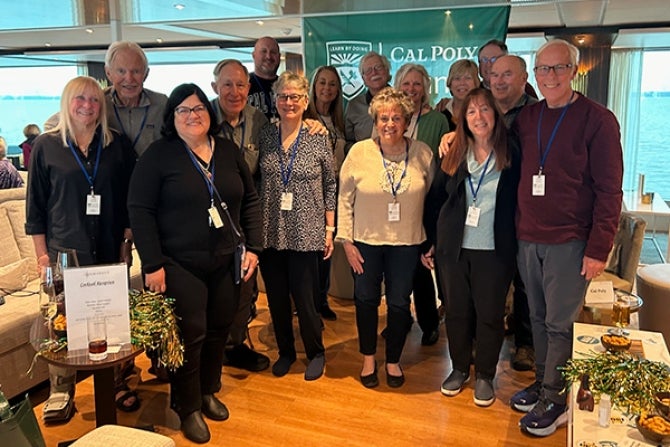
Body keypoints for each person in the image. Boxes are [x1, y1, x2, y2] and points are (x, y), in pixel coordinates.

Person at [128, 83, 262, 443]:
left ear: (209, 111)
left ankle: (208, 391)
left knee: (220, 326)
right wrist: (152, 263)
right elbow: (140, 212)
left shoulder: (228, 151)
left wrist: (254, 248)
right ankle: (187, 407)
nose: (192, 115)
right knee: (191, 334)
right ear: (172, 117)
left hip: (226, 258)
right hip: (178, 262)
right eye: (183, 110)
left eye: (199, 107)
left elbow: (250, 200)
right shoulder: (159, 156)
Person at [509, 39, 623, 437]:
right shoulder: (528, 117)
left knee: (559, 325)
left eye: (558, 69)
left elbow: (610, 191)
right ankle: (543, 383)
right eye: (543, 69)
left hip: (570, 241)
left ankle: (556, 402)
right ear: (535, 75)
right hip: (529, 238)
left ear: (574, 71)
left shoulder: (598, 120)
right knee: (537, 319)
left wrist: (598, 249)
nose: (550, 76)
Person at [25, 76, 136, 423]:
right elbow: (35, 208)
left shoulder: (117, 145)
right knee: (63, 321)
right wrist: (42, 256)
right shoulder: (46, 146)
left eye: (94, 100)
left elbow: (130, 199)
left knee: (112, 316)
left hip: (108, 246)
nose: (88, 105)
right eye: (80, 99)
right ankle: (62, 390)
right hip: (64, 251)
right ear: (67, 102)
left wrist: (127, 240)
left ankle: (119, 381)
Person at [422, 88, 519, 407]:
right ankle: (460, 368)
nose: (479, 117)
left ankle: (485, 375)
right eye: (472, 111)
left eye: (485, 110)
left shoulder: (512, 152)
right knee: (457, 312)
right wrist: (431, 241)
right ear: (463, 119)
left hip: (495, 251)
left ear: (496, 114)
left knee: (490, 315)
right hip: (454, 250)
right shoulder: (453, 151)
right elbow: (435, 199)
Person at [337, 87, 434, 389]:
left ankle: (393, 360)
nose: (389, 124)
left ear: (406, 121)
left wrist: (430, 240)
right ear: (374, 121)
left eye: (396, 118)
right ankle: (368, 358)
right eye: (383, 118)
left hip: (406, 242)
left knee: (398, 303)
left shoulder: (422, 153)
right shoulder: (359, 153)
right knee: (365, 299)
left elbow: (432, 198)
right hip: (365, 241)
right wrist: (347, 242)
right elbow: (344, 199)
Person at [258, 71, 335, 381]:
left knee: (306, 299)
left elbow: (330, 183)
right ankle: (286, 352)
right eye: (283, 96)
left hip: (307, 230)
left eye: (295, 97)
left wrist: (329, 230)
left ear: (305, 101)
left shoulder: (318, 135)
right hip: (270, 230)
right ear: (276, 100)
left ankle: (316, 352)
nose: (288, 102)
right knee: (276, 298)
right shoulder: (265, 135)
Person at [210, 58, 271, 373]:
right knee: (211, 286)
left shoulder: (258, 120)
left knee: (244, 283)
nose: (234, 92)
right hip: (207, 217)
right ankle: (209, 349)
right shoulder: (202, 118)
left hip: (243, 212)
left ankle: (235, 345)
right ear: (215, 88)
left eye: (240, 84)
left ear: (249, 88)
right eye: (227, 85)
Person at [394, 63, 450, 346]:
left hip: (425, 203)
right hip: (394, 204)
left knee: (420, 266)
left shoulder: (437, 120)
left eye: (417, 84)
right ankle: (399, 318)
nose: (411, 90)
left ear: (425, 88)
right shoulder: (390, 117)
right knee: (396, 267)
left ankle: (428, 322)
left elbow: (442, 165)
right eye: (406, 84)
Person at [489, 54, 538, 372]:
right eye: (494, 74)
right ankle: (487, 338)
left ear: (523, 79)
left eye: (508, 74)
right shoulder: (484, 109)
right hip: (487, 210)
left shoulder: (537, 113)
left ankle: (526, 344)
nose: (500, 80)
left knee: (524, 282)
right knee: (489, 279)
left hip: (524, 210)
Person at [304, 65, 346, 321]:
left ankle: (321, 300)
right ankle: (308, 304)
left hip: (335, 192)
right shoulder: (304, 118)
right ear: (313, 86)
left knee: (326, 249)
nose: (327, 88)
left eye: (332, 84)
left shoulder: (340, 120)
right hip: (310, 194)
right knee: (309, 252)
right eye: (322, 83)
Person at [104, 41, 168, 158]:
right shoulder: (97, 102)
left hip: (151, 174)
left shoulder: (162, 104)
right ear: (108, 73)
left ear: (146, 74)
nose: (129, 79)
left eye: (136, 71)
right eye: (121, 71)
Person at [344, 51, 392, 150]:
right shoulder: (354, 105)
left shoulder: (402, 102)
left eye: (378, 67)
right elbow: (347, 141)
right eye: (368, 70)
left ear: (387, 71)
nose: (374, 73)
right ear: (363, 78)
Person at [436, 59, 480, 130]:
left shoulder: (483, 113)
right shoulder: (440, 112)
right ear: (450, 83)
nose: (462, 83)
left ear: (476, 83)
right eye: (457, 78)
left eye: (467, 78)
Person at [248, 36, 281, 122]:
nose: (268, 56)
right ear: (254, 55)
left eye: (273, 52)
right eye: (264, 51)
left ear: (279, 56)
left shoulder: (287, 85)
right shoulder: (242, 85)